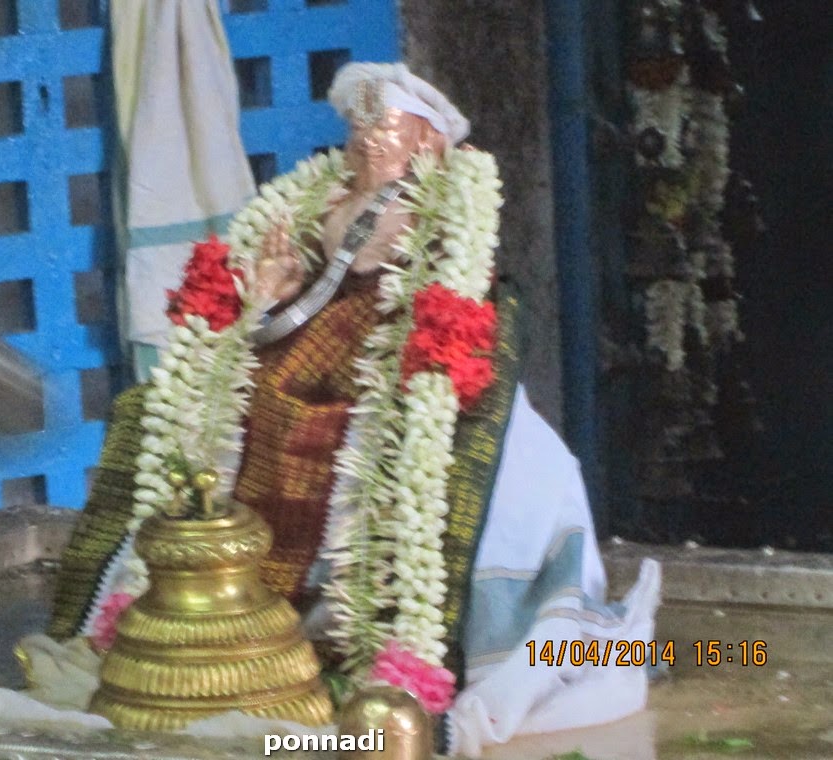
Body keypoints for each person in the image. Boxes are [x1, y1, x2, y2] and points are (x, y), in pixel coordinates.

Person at [41, 62, 660, 754]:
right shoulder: (324, 202)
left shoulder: (442, 209)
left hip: (400, 348)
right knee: (234, 404)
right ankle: (236, 613)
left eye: (384, 129)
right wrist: (270, 292)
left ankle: (374, 639)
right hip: (311, 335)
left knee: (380, 432)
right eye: (359, 129)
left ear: (425, 143)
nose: (367, 141)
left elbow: (453, 307)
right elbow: (296, 297)